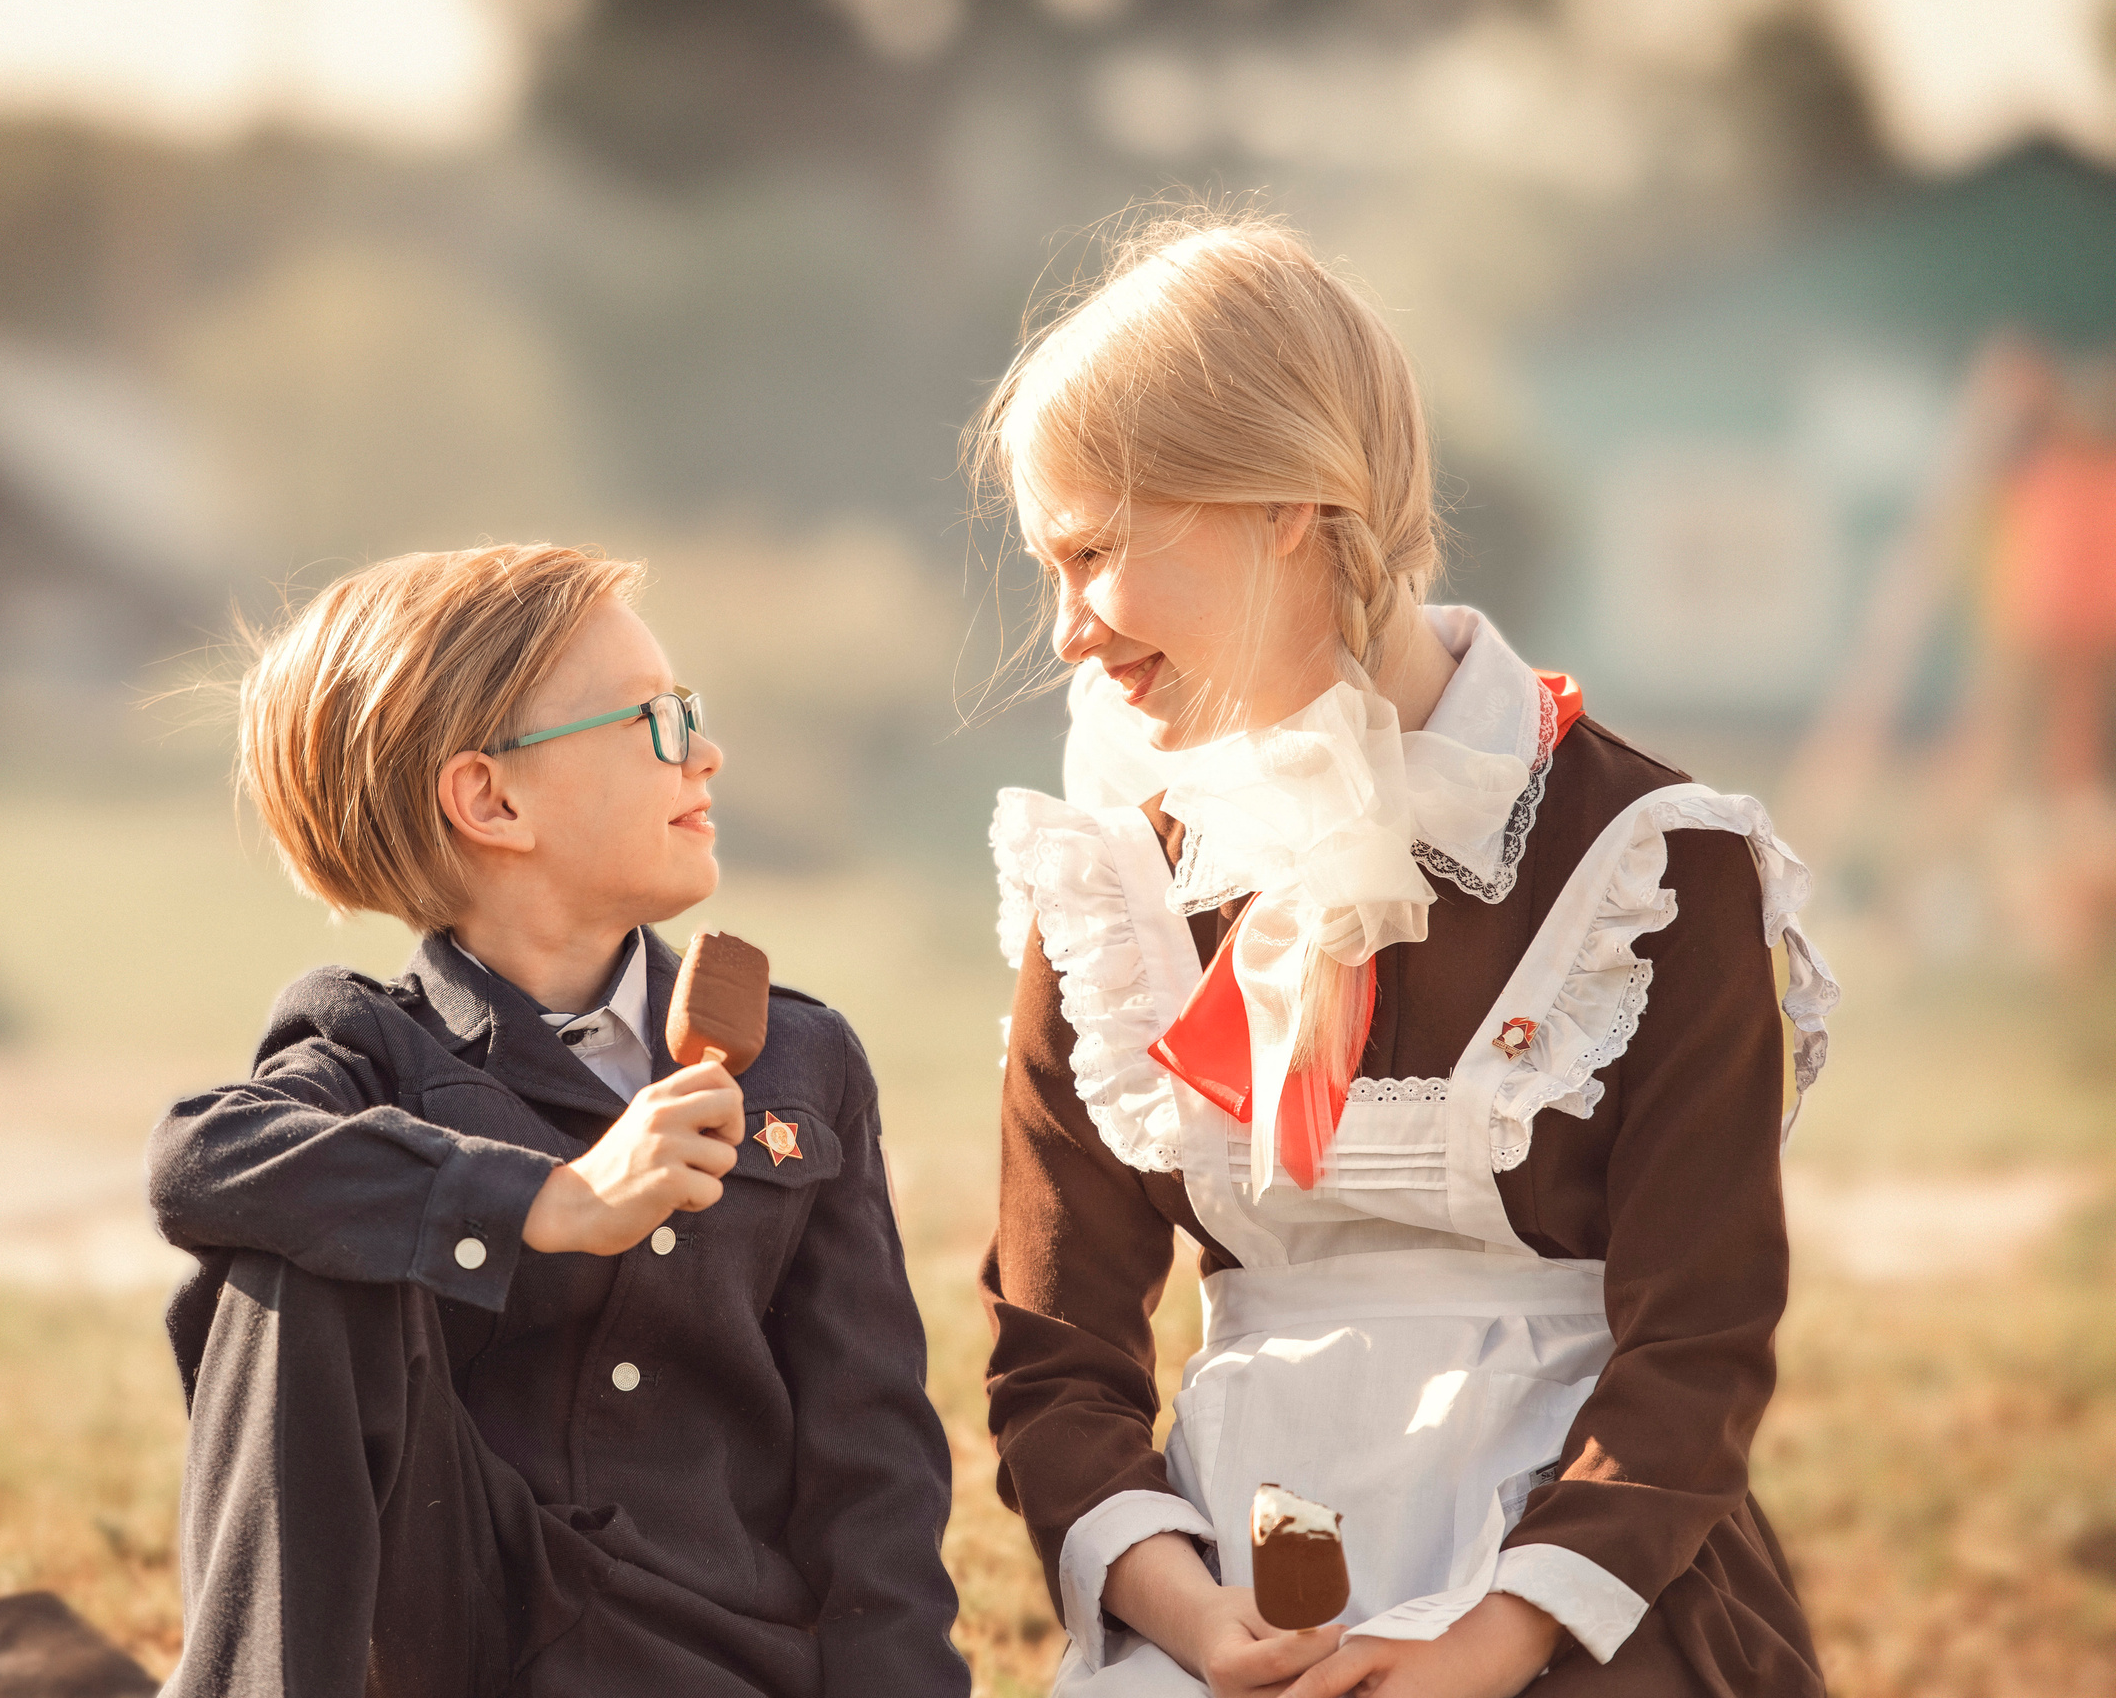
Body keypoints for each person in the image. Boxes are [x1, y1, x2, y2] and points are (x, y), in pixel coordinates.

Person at [973, 214, 1839, 1696]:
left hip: (1580, 1602)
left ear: (1283, 503)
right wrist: (1191, 1623)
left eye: (1095, 552)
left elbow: (1700, 1341)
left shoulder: (1655, 865)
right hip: (1232, 1596)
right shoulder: (1114, 882)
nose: (1065, 631)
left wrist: (1487, 1642)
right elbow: (1056, 1349)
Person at [148, 543, 966, 1698]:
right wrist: (549, 1201)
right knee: (295, 1259)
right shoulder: (366, 1045)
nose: (708, 751)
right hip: (461, 1644)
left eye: (693, 713)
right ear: (492, 798)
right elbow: (197, 1159)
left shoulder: (802, 1058)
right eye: (657, 723)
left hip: (719, 1657)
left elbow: (869, 1450)